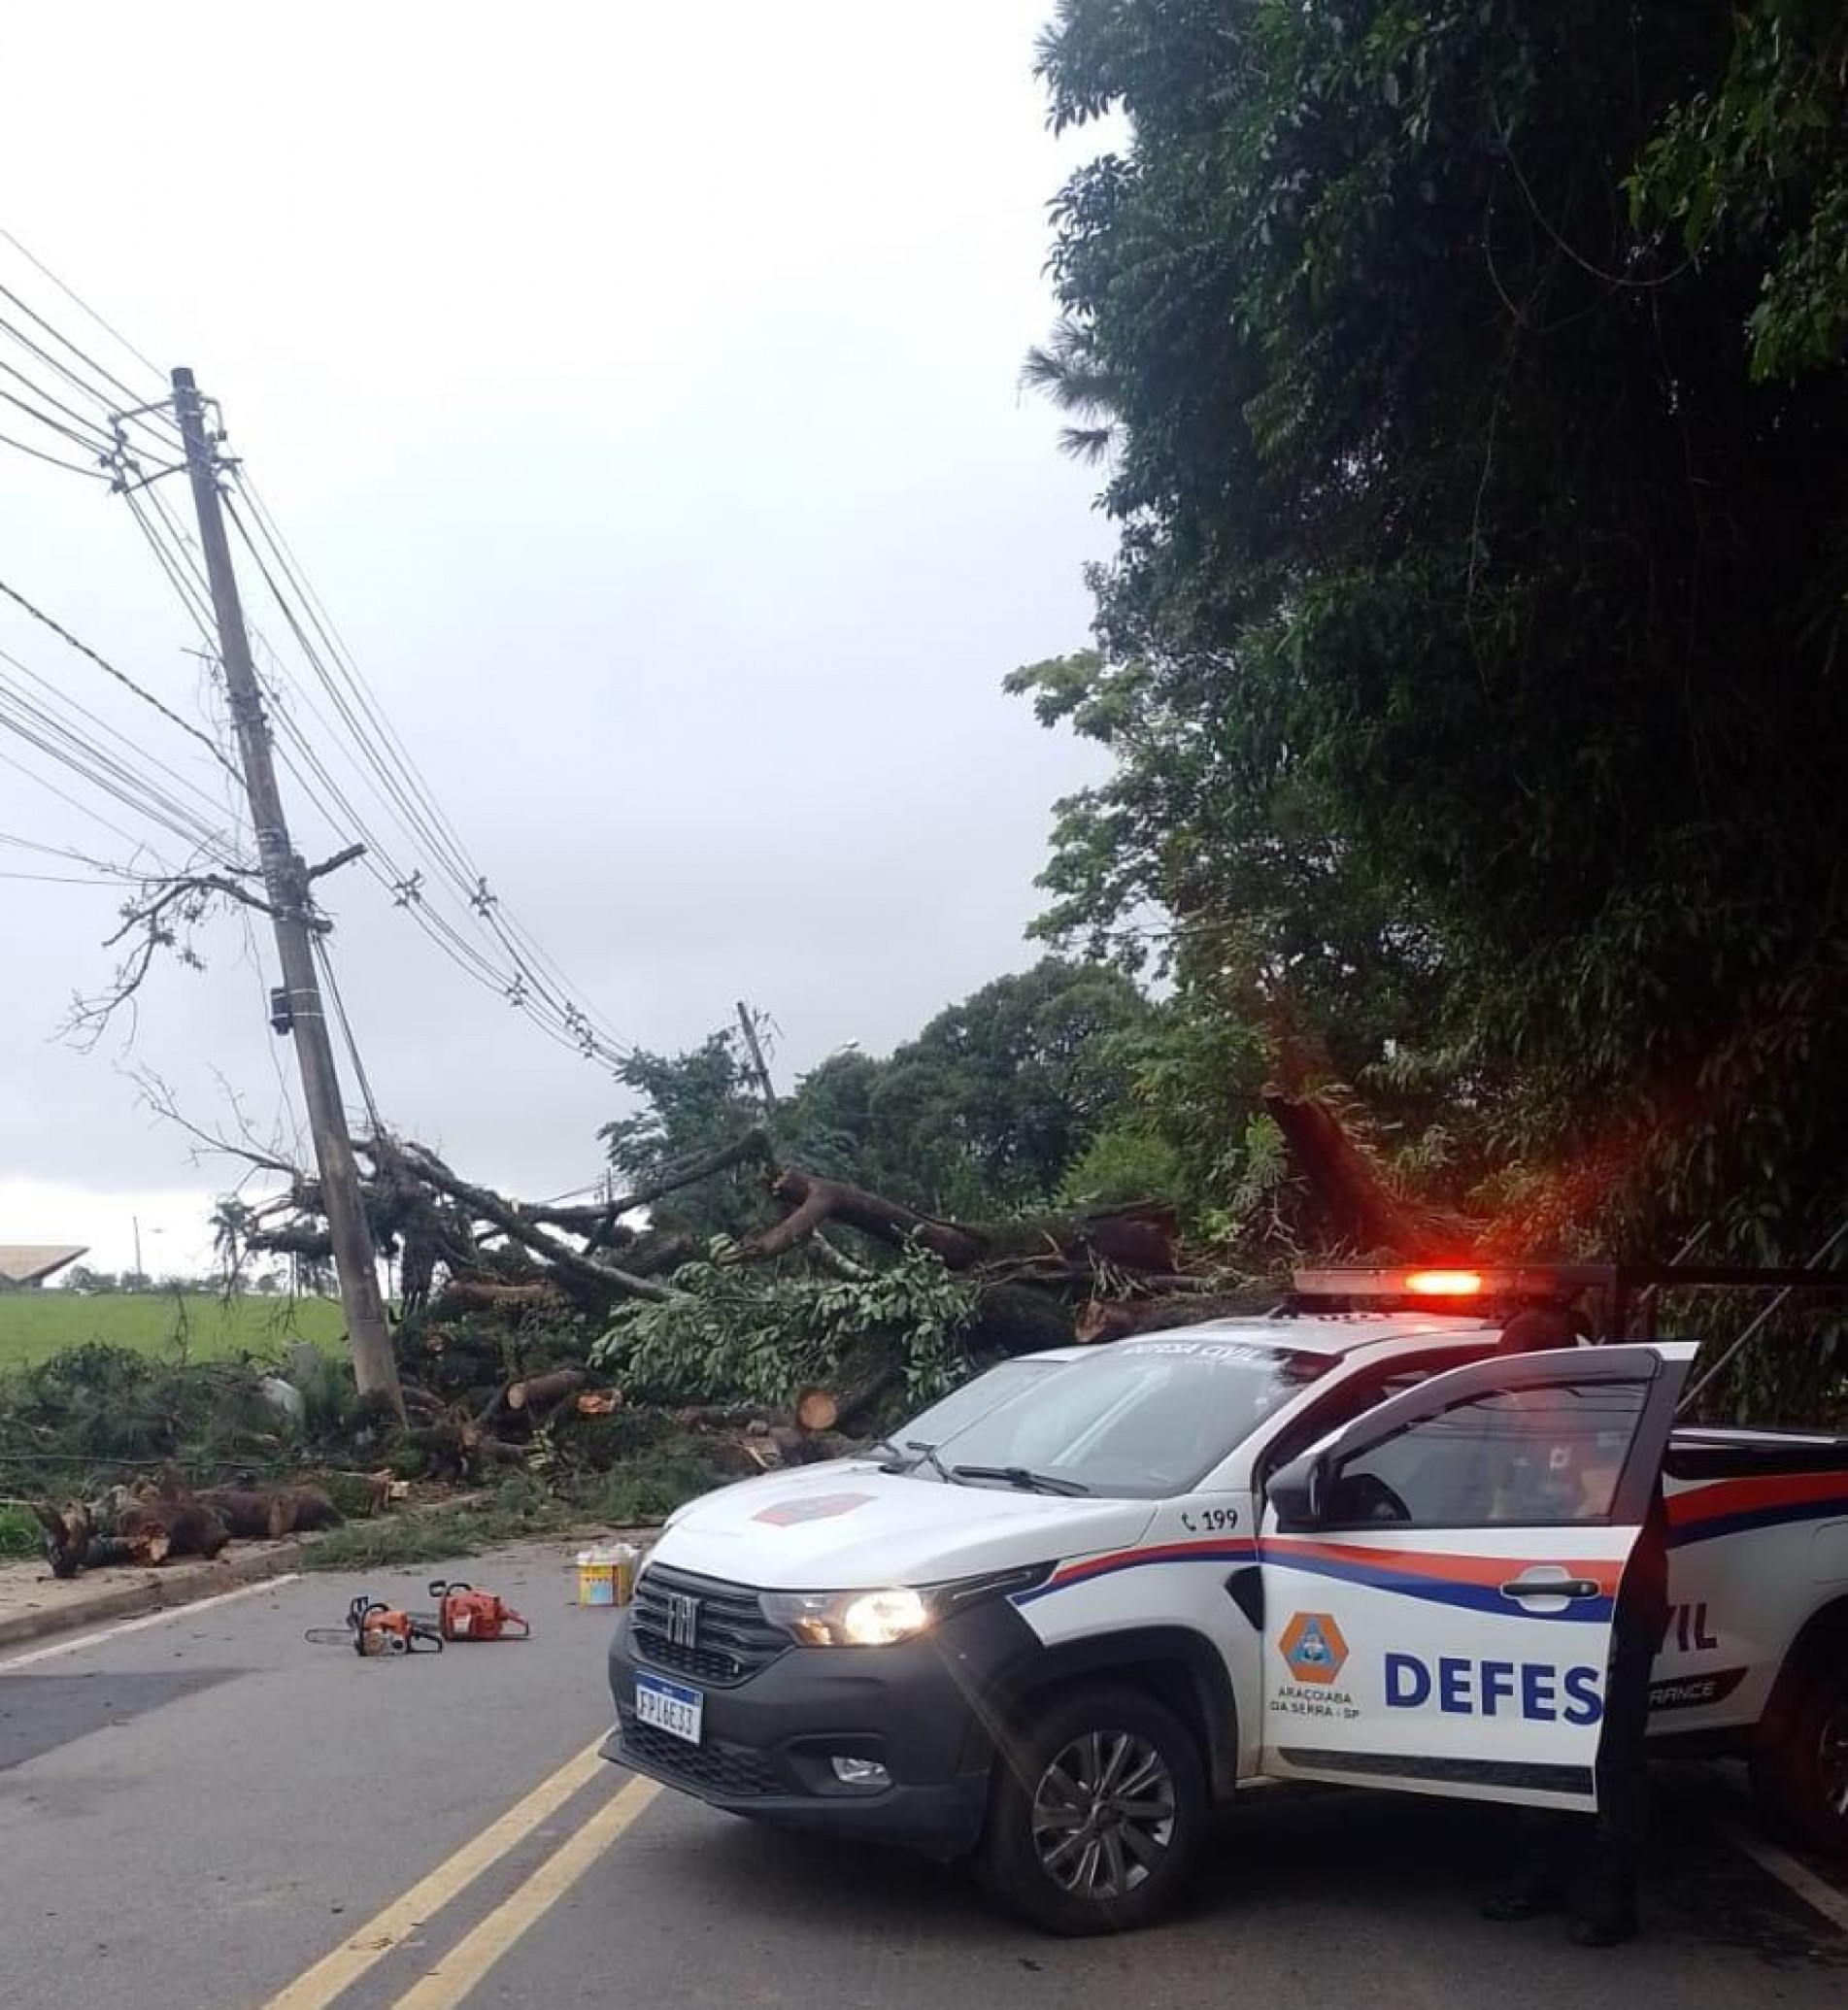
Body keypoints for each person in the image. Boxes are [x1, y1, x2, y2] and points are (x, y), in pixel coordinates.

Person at [1479, 1304, 1669, 1947]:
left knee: (1608, 1754)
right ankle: (1540, 1877)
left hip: (1610, 1609)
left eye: (1521, 1383)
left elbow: (1604, 1517)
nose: (1510, 1397)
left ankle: (1614, 1898)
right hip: (1535, 1608)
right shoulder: (1521, 1434)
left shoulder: (1611, 1426)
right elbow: (1500, 1512)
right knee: (1534, 1745)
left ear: (1557, 1374)